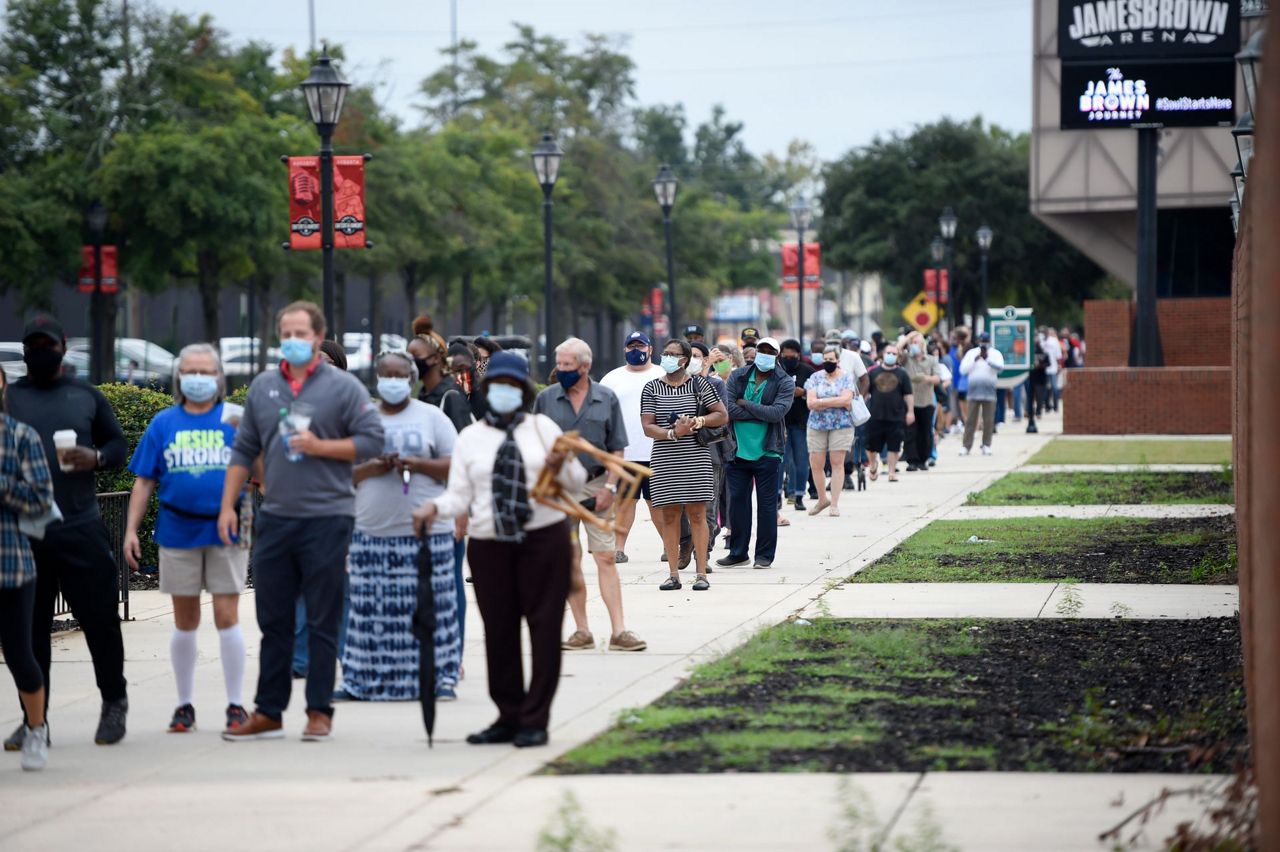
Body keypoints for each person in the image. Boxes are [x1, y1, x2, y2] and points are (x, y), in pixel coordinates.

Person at [218, 301, 384, 742]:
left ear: (318, 335)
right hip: (275, 518)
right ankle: (269, 711)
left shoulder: (344, 389)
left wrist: (319, 446)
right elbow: (242, 449)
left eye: (300, 332)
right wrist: (226, 506)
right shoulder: (264, 388)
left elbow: (372, 440)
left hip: (327, 518)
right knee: (274, 620)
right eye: (285, 332)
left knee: (322, 619)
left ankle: (318, 711)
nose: (292, 340)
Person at [411, 351, 586, 749]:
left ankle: (535, 719)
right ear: (486, 390)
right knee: (499, 632)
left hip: (543, 541)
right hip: (490, 545)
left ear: (523, 389)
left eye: (512, 385)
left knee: (544, 632)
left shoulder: (543, 428)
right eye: (496, 385)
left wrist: (562, 464)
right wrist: (432, 508)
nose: (503, 391)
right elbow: (459, 496)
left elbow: (576, 483)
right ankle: (508, 715)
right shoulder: (472, 437)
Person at [6, 314, 129, 748]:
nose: (41, 352)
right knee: (29, 631)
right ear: (24, 352)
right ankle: (33, 720)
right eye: (32, 345)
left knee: (99, 622)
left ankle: (114, 701)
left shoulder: (85, 395)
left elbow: (118, 445)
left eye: (47, 344)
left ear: (62, 347)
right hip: (25, 535)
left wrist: (95, 457)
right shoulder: (10, 398)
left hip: (80, 525)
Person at [124, 344, 250, 735]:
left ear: (219, 378)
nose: (198, 378)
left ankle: (235, 705)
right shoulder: (164, 423)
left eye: (206, 371)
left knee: (227, 616)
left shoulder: (234, 418)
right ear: (180, 378)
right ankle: (184, 706)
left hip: (227, 527)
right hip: (178, 529)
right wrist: (131, 529)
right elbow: (145, 480)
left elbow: (257, 468)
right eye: (191, 371)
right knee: (186, 620)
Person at [338, 351, 460, 701]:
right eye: (386, 374)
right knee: (369, 612)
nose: (394, 380)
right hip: (372, 535)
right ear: (376, 377)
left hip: (427, 535)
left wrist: (419, 464)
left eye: (401, 375)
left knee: (433, 609)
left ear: (412, 379)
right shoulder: (359, 419)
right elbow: (337, 473)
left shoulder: (431, 417)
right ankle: (362, 680)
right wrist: (370, 469)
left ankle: (440, 679)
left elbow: (456, 465)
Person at [535, 338, 645, 653]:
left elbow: (617, 447)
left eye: (568, 365)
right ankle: (581, 630)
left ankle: (619, 631)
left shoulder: (606, 398)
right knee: (569, 559)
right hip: (559, 489)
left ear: (585, 366)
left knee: (605, 556)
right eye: (560, 365)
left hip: (598, 484)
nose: (562, 370)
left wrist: (610, 487)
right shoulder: (546, 400)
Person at [0, 365, 55, 769]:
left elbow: (40, 499)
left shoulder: (20, 437)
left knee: (19, 653)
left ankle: (36, 728)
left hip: (10, 565)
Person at [641, 340, 728, 591]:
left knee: (698, 514)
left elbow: (721, 415)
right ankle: (673, 573)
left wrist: (698, 421)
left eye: (673, 354)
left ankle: (702, 573)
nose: (667, 357)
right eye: (664, 353)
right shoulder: (652, 388)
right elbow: (647, 425)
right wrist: (672, 433)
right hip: (665, 457)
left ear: (685, 360)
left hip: (695, 456)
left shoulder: (699, 384)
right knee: (669, 515)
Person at [292, 339, 352, 680]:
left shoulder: (353, 404)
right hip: (301, 506)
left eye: (327, 361)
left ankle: (346, 653)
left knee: (342, 586)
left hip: (341, 506)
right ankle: (300, 660)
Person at [718, 337, 794, 570]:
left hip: (768, 452)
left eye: (770, 351)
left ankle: (764, 555)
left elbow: (777, 413)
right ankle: (738, 552)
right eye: (761, 350)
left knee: (767, 506)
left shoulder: (784, 381)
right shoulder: (739, 376)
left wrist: (746, 404)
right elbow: (728, 410)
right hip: (737, 450)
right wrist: (757, 410)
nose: (764, 354)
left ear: (776, 355)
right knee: (738, 504)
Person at [599, 332, 665, 564]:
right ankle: (619, 548)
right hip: (624, 453)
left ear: (650, 349)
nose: (636, 350)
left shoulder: (662, 374)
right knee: (625, 503)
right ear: (624, 349)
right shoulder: (611, 378)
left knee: (658, 503)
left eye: (641, 345)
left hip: (658, 451)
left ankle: (670, 546)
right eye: (631, 346)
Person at [805, 345, 856, 516]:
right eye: (825, 360)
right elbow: (810, 403)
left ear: (838, 361)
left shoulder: (846, 378)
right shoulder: (815, 377)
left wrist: (822, 401)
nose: (828, 362)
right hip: (817, 425)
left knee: (837, 462)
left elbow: (847, 399)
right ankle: (822, 499)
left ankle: (834, 504)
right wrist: (836, 401)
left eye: (831, 360)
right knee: (816, 463)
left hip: (841, 425)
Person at [865, 343, 914, 483]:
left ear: (897, 356)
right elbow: (866, 392)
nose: (891, 356)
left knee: (894, 445)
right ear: (883, 354)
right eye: (889, 353)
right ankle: (873, 465)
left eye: (894, 353)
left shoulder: (902, 373)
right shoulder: (873, 372)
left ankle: (892, 472)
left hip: (896, 415)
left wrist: (910, 412)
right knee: (871, 446)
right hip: (875, 415)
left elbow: (908, 394)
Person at [409, 334, 473, 434]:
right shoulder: (424, 394)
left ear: (436, 358)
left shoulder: (451, 396)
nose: (410, 362)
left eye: (415, 355)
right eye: (408, 356)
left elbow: (462, 439)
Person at [779, 339, 813, 512]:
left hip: (801, 422)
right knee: (780, 461)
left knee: (801, 461)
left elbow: (816, 391)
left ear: (799, 354)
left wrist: (804, 392)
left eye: (793, 352)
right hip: (781, 423)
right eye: (786, 352)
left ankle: (799, 495)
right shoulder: (777, 370)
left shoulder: (807, 371)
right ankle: (777, 495)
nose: (789, 356)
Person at [902, 332, 944, 473]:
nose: (914, 346)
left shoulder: (931, 360)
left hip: (926, 401)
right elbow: (896, 349)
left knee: (925, 433)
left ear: (922, 345)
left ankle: (923, 459)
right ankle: (912, 460)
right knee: (910, 433)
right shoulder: (907, 359)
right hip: (910, 403)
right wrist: (908, 337)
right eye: (912, 343)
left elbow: (938, 378)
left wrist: (925, 378)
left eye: (916, 343)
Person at [959, 331, 1005, 457]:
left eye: (986, 341)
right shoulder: (971, 353)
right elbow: (962, 370)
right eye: (982, 341)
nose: (984, 344)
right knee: (970, 420)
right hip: (973, 391)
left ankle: (986, 445)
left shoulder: (995, 354)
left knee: (989, 420)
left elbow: (1001, 368)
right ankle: (966, 446)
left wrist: (988, 360)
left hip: (989, 391)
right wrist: (975, 360)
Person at [1041, 326, 1062, 414]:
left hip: (1053, 367)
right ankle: (1047, 406)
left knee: (1054, 387)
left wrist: (1059, 365)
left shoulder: (1054, 341)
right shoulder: (1041, 341)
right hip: (1044, 369)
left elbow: (1058, 355)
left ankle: (1056, 406)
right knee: (1045, 388)